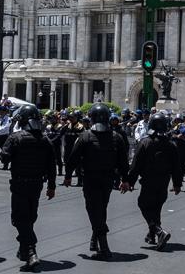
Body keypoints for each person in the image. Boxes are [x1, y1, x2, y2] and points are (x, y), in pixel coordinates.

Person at [64, 103, 130, 260]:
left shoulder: (85, 136)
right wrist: (125, 179)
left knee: (94, 210)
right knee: (101, 208)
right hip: (107, 180)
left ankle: (104, 248)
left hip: (91, 179)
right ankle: (95, 239)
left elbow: (72, 158)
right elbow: (123, 162)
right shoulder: (116, 137)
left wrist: (67, 176)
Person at [0, 105, 57, 269]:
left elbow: (4, 158)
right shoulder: (45, 140)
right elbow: (52, 165)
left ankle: (31, 250)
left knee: (18, 219)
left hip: (20, 183)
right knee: (30, 217)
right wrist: (51, 186)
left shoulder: (15, 138)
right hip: (37, 184)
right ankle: (23, 249)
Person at [127, 113, 182, 250]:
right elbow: (177, 167)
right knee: (156, 209)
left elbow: (136, 165)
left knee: (144, 205)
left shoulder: (145, 142)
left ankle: (159, 231)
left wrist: (130, 181)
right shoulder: (171, 144)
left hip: (148, 181)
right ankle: (152, 236)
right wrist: (177, 184)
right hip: (164, 181)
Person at [62, 111, 85, 186]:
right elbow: (61, 133)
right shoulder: (67, 126)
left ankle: (80, 181)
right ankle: (67, 179)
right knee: (67, 164)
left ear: (77, 118)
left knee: (78, 165)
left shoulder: (81, 127)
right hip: (68, 148)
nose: (71, 119)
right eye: (70, 117)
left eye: (73, 117)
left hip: (76, 148)